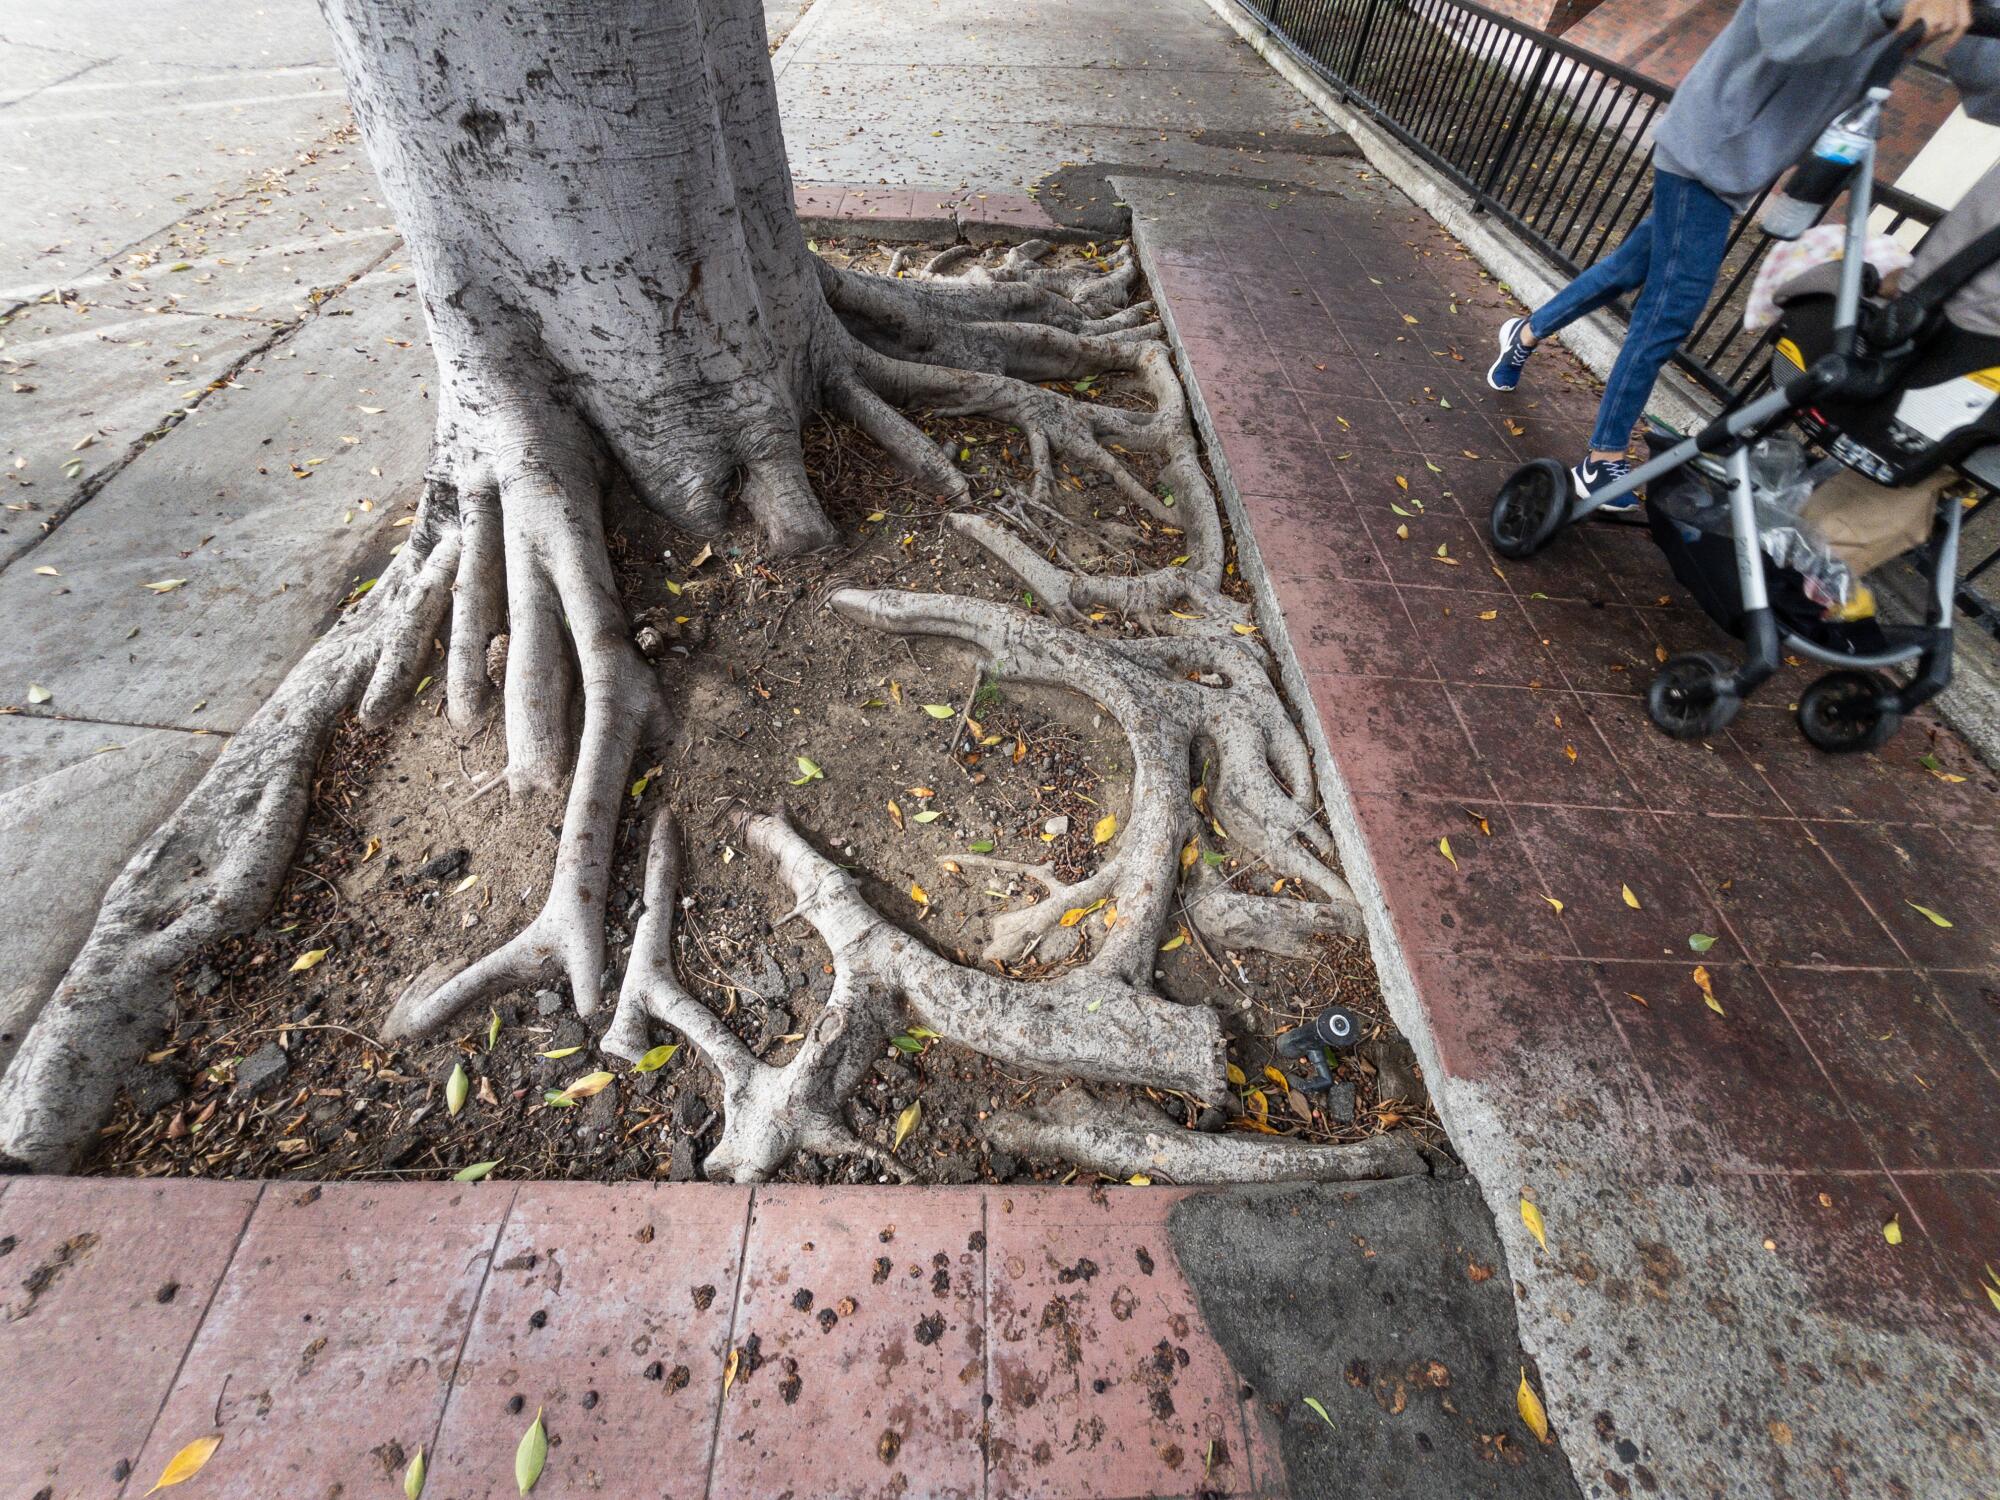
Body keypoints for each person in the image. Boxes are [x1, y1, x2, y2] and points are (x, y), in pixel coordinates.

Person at [1487, 0, 2000, 511]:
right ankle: (1603, 456)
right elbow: (1786, 25)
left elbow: (1987, 87)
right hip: (1706, 142)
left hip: (1746, 160)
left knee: (1626, 270)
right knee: (1671, 308)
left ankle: (1523, 334)